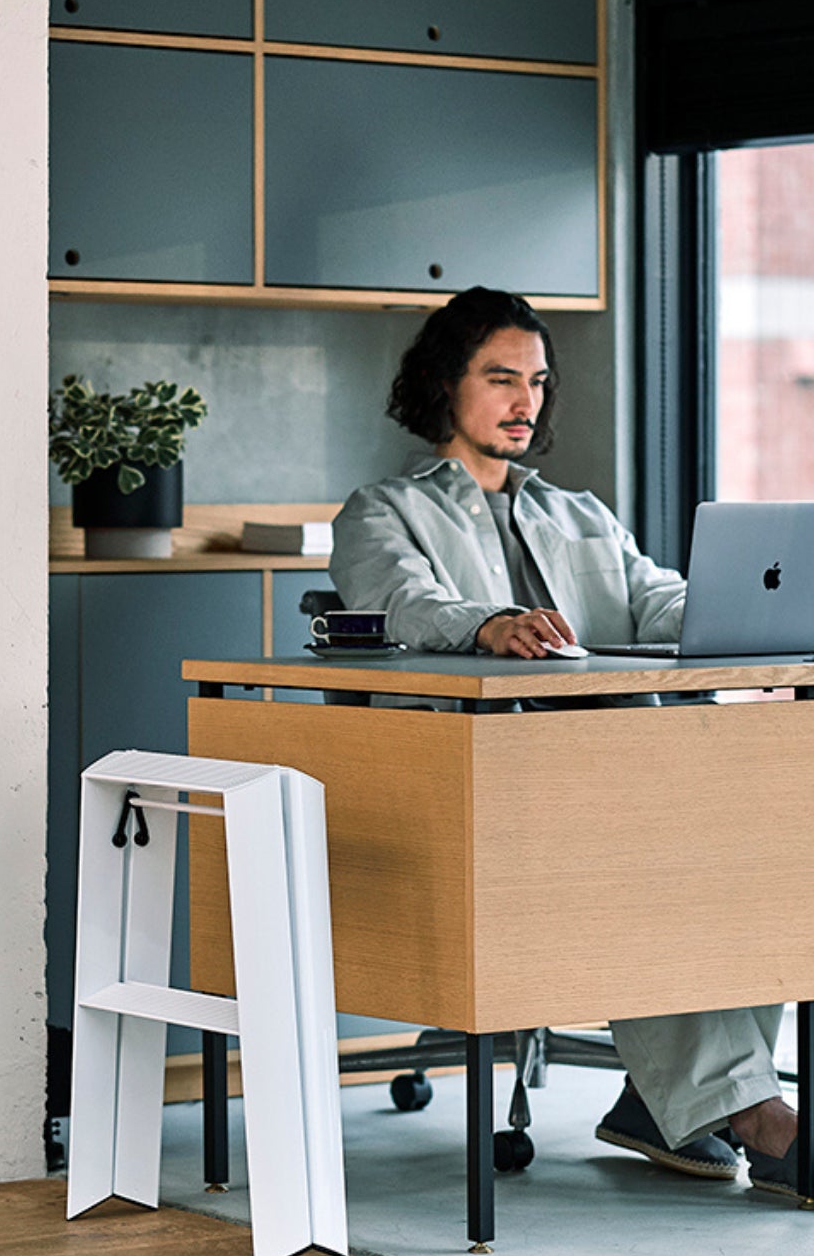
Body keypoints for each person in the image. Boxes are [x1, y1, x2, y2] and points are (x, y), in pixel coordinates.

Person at [330, 285, 799, 1195]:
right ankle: (754, 1114)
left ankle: (673, 1103)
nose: (525, 401)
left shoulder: (579, 513)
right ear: (445, 384)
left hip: (617, 767)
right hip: (489, 786)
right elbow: (401, 601)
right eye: (501, 378)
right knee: (641, 844)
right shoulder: (382, 511)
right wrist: (487, 623)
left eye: (538, 382)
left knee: (750, 836)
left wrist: (740, 613)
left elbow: (654, 597)